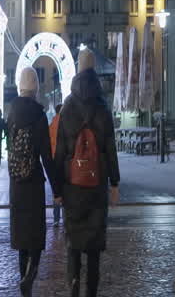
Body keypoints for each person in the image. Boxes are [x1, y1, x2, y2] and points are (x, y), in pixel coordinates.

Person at [55, 49, 121, 297]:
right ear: (94, 71)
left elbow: (60, 151)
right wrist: (114, 183)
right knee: (93, 250)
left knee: (73, 246)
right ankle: (90, 292)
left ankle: (73, 289)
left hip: (72, 186)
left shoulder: (68, 106)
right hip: (96, 186)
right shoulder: (102, 106)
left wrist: (58, 189)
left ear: (77, 69)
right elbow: (111, 148)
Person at [8, 66, 63, 297]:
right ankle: (30, 277)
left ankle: (24, 287)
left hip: (16, 184)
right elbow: (46, 157)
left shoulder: (11, 114)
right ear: (36, 88)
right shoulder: (38, 115)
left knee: (21, 239)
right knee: (37, 238)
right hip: (33, 184)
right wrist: (57, 189)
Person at [49, 99, 63, 225]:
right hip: (64, 160)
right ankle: (67, 217)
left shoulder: (52, 124)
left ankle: (56, 219)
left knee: (56, 190)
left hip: (54, 161)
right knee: (66, 188)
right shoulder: (66, 123)